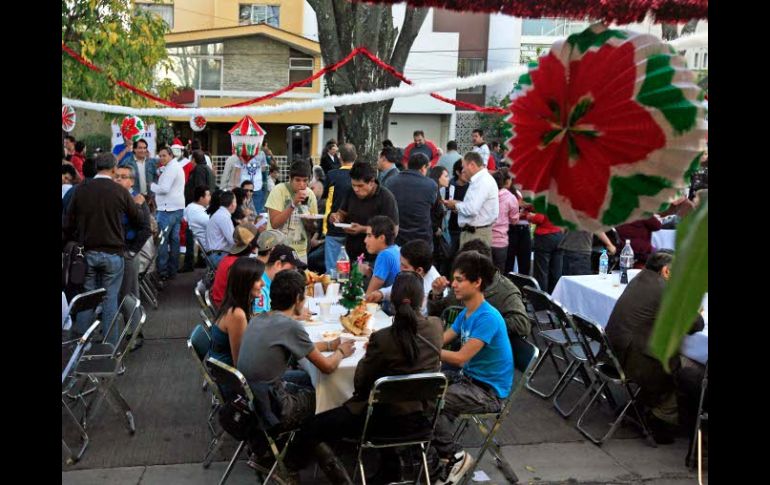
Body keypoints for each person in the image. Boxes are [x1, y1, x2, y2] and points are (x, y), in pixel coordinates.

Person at [285, 271, 444, 484]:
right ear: (421, 300)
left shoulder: (383, 338)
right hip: (420, 417)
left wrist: (370, 355)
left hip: (379, 421)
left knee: (312, 426)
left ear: (393, 302)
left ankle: (295, 469)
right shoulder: (436, 327)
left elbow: (360, 383)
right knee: (386, 402)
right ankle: (390, 468)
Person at [237, 270, 355, 433]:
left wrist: (329, 345)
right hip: (275, 410)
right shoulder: (290, 326)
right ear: (298, 299)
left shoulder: (259, 318)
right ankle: (321, 443)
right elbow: (327, 367)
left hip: (254, 400)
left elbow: (301, 346)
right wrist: (341, 351)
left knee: (308, 377)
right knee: (330, 395)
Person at [605, 250, 704, 444]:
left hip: (613, 354)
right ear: (666, 271)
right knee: (691, 370)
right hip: (635, 361)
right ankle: (660, 419)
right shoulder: (665, 290)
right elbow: (695, 324)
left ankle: (642, 407)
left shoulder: (639, 278)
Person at [433, 251, 514, 485]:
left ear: (477, 282)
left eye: (459, 280)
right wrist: (422, 343)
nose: (453, 285)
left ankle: (455, 456)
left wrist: (427, 350)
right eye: (454, 279)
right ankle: (438, 453)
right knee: (422, 386)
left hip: (488, 393)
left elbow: (460, 358)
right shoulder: (467, 312)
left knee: (430, 398)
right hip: (468, 380)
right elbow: (441, 340)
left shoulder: (488, 317)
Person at [64, 152, 144, 345]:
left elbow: (68, 222)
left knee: (87, 299)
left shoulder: (81, 190)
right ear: (114, 169)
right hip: (113, 253)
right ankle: (109, 347)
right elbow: (138, 219)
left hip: (87, 252)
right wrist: (138, 206)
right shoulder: (119, 191)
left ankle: (81, 346)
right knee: (110, 301)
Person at [428, 239, 530, 339]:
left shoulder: (505, 291)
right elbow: (440, 313)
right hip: (454, 343)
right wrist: (436, 295)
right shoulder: (461, 284)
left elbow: (523, 324)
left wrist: (483, 324)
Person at [329, 161, 399, 263]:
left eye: (360, 186)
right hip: (352, 253)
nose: (356, 189)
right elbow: (342, 213)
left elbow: (393, 231)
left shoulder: (386, 197)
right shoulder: (350, 192)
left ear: (371, 182)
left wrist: (363, 229)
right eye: (353, 185)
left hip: (376, 257)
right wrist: (337, 217)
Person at [209, 257, 266, 366]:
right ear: (245, 283)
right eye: (258, 279)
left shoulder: (234, 304)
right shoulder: (236, 314)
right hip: (229, 373)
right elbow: (240, 363)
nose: (263, 283)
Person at [367, 239, 441, 316]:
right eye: (400, 263)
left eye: (404, 266)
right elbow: (398, 288)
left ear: (419, 270)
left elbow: (418, 316)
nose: (400, 268)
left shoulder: (429, 289)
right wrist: (381, 294)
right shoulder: (417, 272)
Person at [385, 153, 443, 250]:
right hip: (422, 239)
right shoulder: (431, 185)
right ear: (423, 168)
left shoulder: (390, 182)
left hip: (396, 238)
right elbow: (436, 211)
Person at [265, 161, 319, 263]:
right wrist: (293, 204)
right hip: (277, 250)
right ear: (290, 178)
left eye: (305, 180)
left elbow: (313, 228)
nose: (302, 184)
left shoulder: (310, 194)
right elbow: (275, 223)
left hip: (300, 251)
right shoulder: (278, 190)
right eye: (297, 180)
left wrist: (310, 221)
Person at [442, 152, 499, 248]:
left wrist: (455, 205)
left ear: (472, 165)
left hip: (476, 235)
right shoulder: (479, 180)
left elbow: (472, 209)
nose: (463, 170)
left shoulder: (482, 182)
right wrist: (458, 205)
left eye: (464, 167)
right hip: (474, 233)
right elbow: (473, 206)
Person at [151, 146, 186, 281]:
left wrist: (151, 186)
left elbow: (164, 189)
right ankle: (172, 270)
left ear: (171, 155)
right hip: (176, 208)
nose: (161, 158)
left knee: (162, 241)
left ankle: (163, 271)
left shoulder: (172, 168)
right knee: (174, 240)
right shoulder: (174, 166)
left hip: (167, 210)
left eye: (164, 155)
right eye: (160, 156)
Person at [210, 223, 261, 308]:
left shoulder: (228, 258)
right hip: (227, 308)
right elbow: (244, 296)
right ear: (252, 246)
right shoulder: (238, 266)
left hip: (221, 303)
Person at [323, 143, 356, 272]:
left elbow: (325, 198)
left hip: (334, 227)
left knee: (332, 271)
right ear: (356, 157)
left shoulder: (332, 175)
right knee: (352, 271)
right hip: (355, 229)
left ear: (339, 157)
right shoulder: (360, 177)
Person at [253, 244, 306, 314]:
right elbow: (259, 318)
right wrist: (294, 315)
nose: (294, 272)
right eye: (292, 268)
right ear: (278, 264)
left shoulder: (273, 283)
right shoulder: (260, 287)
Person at [360, 216, 401, 299]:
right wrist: (369, 272)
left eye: (369, 236)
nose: (365, 240)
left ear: (382, 238)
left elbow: (369, 296)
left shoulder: (384, 255)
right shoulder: (396, 249)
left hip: (389, 306)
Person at [525, 206, 564, 293]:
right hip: (559, 235)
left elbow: (539, 218)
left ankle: (541, 297)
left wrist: (528, 216)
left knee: (541, 272)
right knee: (556, 271)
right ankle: (554, 295)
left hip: (545, 237)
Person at [441, 160, 469, 276]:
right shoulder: (449, 186)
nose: (467, 174)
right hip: (451, 227)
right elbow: (442, 204)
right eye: (464, 172)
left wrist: (458, 205)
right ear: (458, 172)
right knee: (449, 257)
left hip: (466, 228)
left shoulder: (472, 187)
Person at [491, 170, 519, 273]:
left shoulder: (487, 195)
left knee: (485, 273)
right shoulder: (511, 197)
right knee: (499, 273)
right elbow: (514, 220)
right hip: (501, 241)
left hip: (485, 239)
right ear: (506, 182)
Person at [429, 165, 452, 271]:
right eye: (446, 176)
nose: (448, 179)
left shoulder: (437, 191)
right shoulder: (433, 192)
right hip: (433, 236)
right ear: (438, 177)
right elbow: (429, 213)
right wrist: (435, 228)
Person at [206, 191, 237, 267]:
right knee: (246, 261)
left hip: (216, 254)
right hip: (218, 256)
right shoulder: (224, 217)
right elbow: (233, 240)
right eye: (235, 201)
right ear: (232, 204)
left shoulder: (221, 214)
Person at [506, 180, 531, 275]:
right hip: (512, 228)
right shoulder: (507, 192)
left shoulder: (523, 191)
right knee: (509, 261)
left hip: (524, 227)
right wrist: (521, 208)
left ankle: (523, 282)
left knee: (525, 262)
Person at [183, 185, 211, 253]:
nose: (210, 197)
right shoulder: (195, 211)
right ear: (201, 198)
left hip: (206, 245)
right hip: (207, 248)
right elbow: (213, 224)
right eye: (208, 195)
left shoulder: (194, 207)